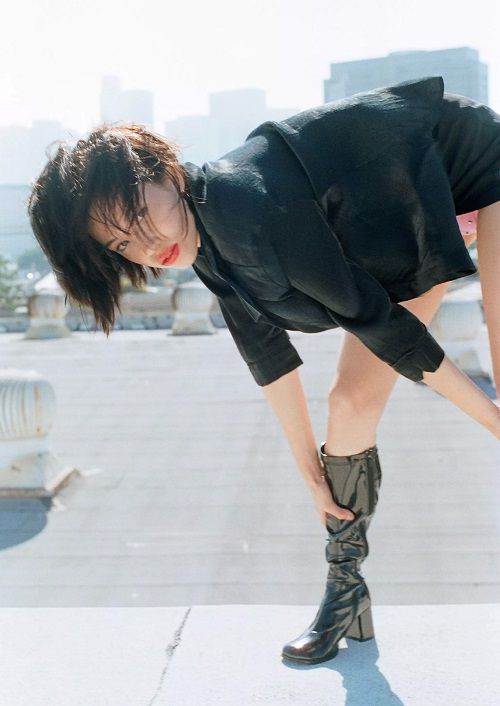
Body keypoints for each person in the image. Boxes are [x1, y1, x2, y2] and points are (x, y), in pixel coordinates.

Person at [27, 75, 500, 665]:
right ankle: (345, 591)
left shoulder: (248, 206)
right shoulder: (200, 232)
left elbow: (381, 326)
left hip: (473, 162)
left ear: (166, 170)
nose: (147, 247)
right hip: (407, 213)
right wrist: (311, 474)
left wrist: (492, 420)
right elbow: (266, 352)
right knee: (349, 405)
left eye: (141, 216)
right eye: (122, 245)